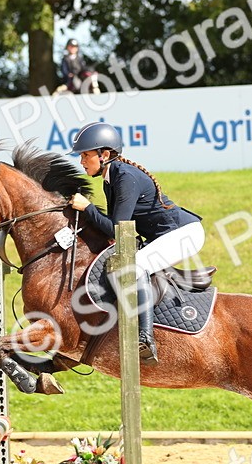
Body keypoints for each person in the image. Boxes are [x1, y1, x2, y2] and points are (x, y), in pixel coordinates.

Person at [67, 121, 204, 365]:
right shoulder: (111, 177)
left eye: (85, 155)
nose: (82, 161)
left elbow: (119, 230)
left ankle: (146, 339)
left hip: (184, 234)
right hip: (166, 235)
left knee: (135, 267)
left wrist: (87, 208)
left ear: (104, 154)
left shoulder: (124, 177)